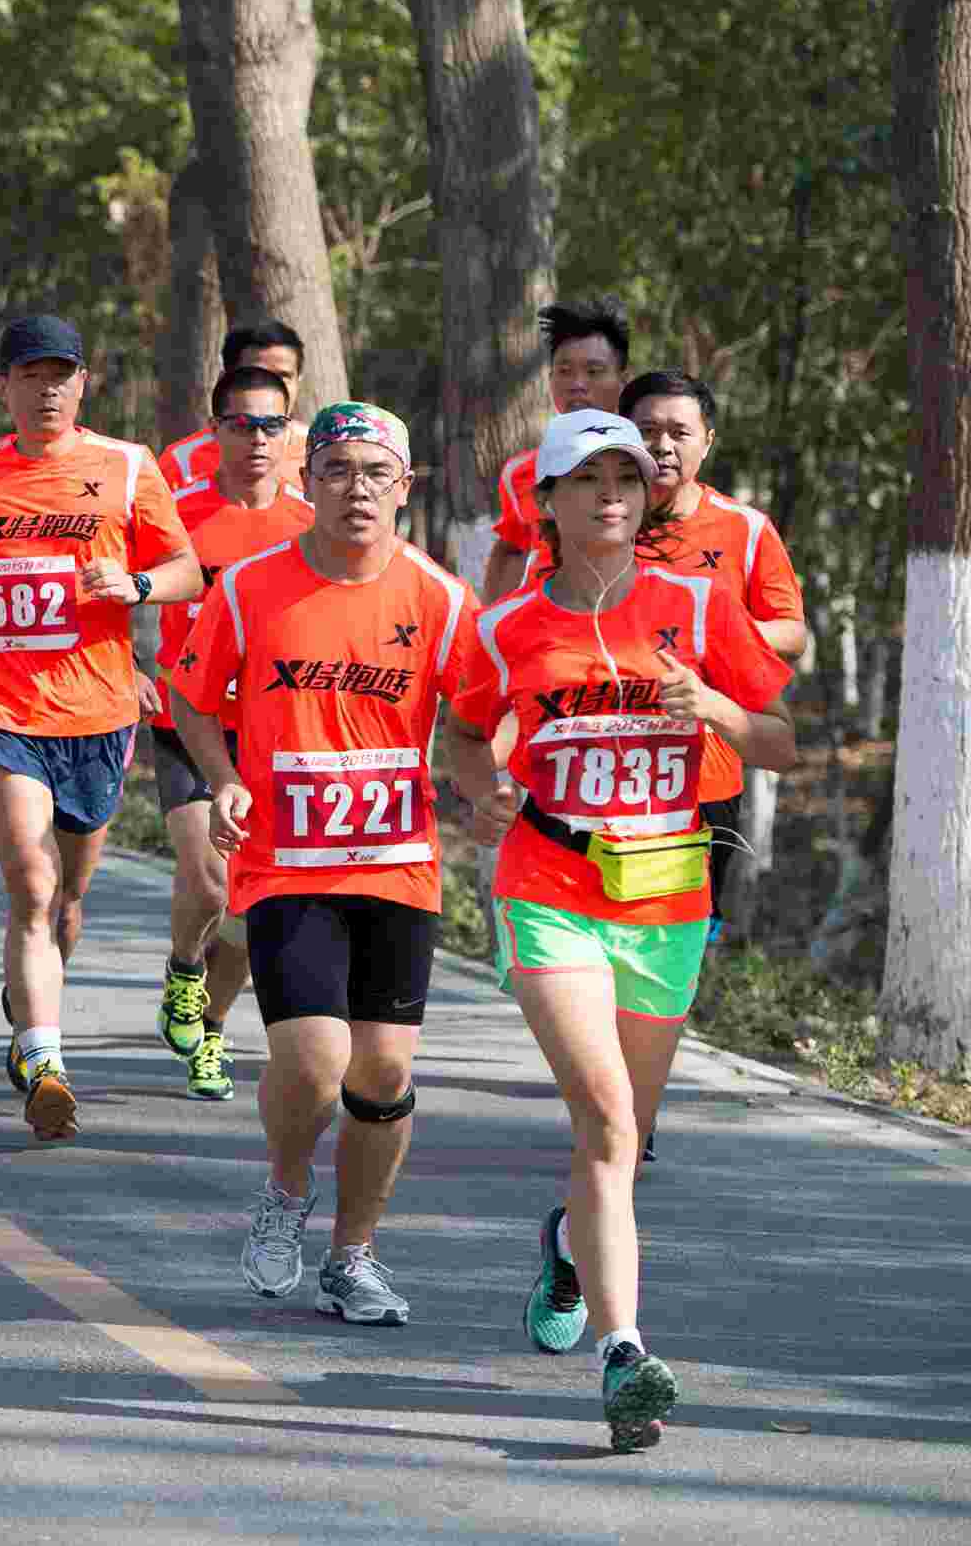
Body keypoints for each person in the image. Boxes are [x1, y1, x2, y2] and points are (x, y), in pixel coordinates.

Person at [448, 410, 796, 1452]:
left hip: (669, 893)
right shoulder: (506, 625)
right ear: (547, 503)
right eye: (587, 478)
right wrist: (482, 793)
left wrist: (716, 710)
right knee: (602, 1121)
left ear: (647, 497)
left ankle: (568, 1239)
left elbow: (779, 737)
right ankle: (624, 1354)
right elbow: (465, 731)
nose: (611, 493)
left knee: (626, 1144)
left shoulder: (697, 602)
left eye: (627, 478)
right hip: (549, 882)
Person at [169, 402, 491, 1327]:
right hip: (287, 863)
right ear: (309, 482)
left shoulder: (437, 599)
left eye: (376, 473)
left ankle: (354, 1256)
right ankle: (283, 1187)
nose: (358, 490)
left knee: (381, 1075)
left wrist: (487, 789)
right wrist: (225, 776)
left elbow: (471, 723)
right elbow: (191, 696)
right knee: (313, 1065)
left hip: (396, 866)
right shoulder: (250, 589)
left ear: (405, 487)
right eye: (339, 470)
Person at [0, 315, 201, 1140]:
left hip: (99, 713)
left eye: (62, 374)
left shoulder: (127, 467)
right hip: (1, 709)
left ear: (83, 383)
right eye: (31, 375)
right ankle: (46, 1062)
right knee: (31, 884)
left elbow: (189, 572)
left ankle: (31, 998)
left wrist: (135, 584)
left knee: (67, 899)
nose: (48, 390)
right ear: (3, 386)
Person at [148, 362, 317, 1102]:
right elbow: (117, 588)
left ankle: (211, 1027)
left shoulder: (309, 524)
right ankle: (186, 966)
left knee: (248, 901)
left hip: (272, 732)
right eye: (240, 424)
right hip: (185, 716)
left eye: (271, 425)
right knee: (210, 877)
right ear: (213, 430)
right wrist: (126, 669)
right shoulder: (174, 512)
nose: (256, 439)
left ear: (290, 434)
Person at [615, 371, 809, 923]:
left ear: (708, 441)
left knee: (679, 947)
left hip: (704, 775)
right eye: (647, 429)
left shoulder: (744, 529)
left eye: (680, 432)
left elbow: (791, 632)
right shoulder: (593, 525)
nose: (662, 445)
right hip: (596, 772)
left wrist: (707, 638)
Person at [482, 298, 632, 605]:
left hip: (629, 633)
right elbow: (512, 549)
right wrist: (488, 629)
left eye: (594, 371)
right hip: (545, 638)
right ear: (550, 379)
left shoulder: (647, 465)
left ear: (622, 381)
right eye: (564, 371)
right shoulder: (521, 471)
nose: (577, 384)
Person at [156, 322, 309, 491]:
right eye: (254, 375)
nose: (271, 386)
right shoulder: (180, 464)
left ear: (298, 380)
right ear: (224, 380)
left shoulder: (322, 452)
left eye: (283, 376)